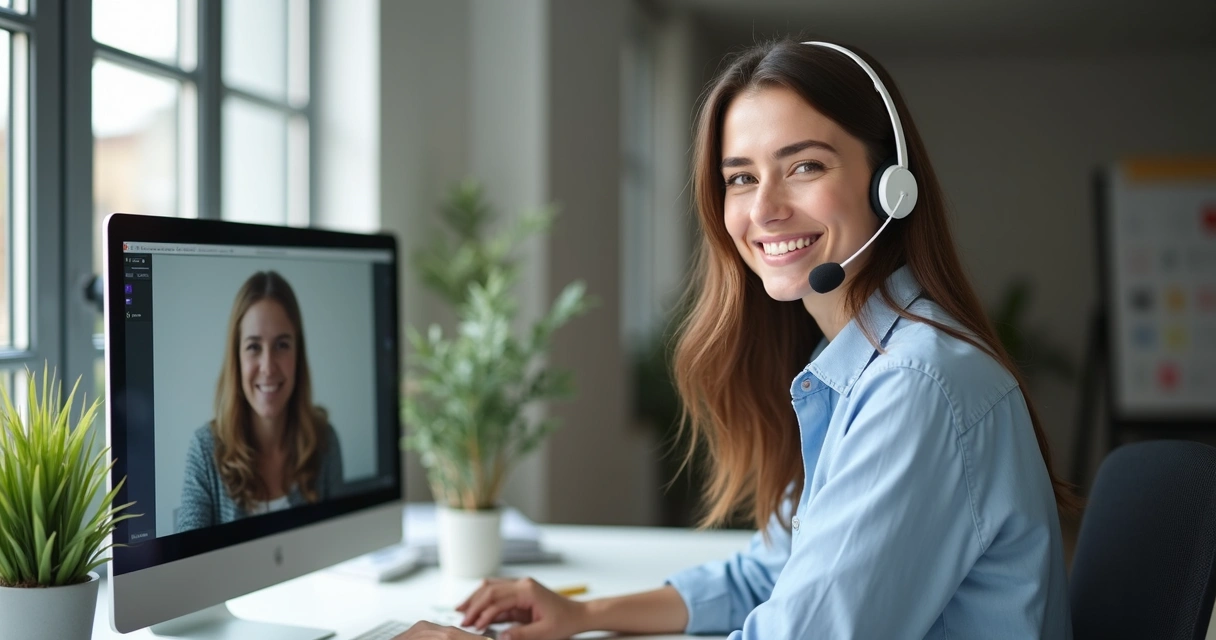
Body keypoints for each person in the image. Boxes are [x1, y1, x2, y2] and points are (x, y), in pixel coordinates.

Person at [395, 37, 1076, 640]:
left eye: (805, 166)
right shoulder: (855, 368)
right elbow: (773, 573)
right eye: (741, 178)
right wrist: (586, 615)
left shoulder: (916, 387)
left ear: (891, 186)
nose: (765, 209)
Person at [177, 270, 344, 533]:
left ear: (298, 355)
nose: (268, 367)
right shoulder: (204, 450)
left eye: (282, 345)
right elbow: (186, 567)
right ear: (237, 359)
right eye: (254, 347)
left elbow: (339, 544)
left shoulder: (324, 441)